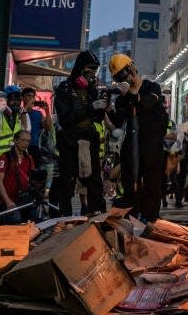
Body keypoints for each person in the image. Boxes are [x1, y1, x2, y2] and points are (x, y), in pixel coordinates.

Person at [108, 53, 168, 223]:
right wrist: (106, 109)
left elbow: (147, 103)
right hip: (132, 145)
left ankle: (152, 220)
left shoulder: (151, 87)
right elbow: (117, 121)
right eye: (119, 77)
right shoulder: (122, 99)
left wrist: (132, 95)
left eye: (125, 74)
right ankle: (132, 219)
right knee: (130, 186)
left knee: (152, 185)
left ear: (132, 68)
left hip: (151, 145)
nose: (124, 79)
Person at [50, 50, 107, 216]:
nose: (92, 75)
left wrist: (101, 105)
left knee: (94, 183)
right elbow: (65, 118)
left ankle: (97, 217)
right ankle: (63, 219)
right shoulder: (65, 88)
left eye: (95, 71)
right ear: (80, 69)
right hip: (70, 142)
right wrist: (91, 107)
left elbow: (97, 119)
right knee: (67, 184)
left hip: (89, 141)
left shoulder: (91, 90)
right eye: (89, 70)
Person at [0, 130, 36, 224]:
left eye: (28, 141)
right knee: (15, 219)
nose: (26, 143)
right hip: (8, 201)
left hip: (24, 200)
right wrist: (8, 201)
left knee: (35, 218)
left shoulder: (29, 159)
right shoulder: (5, 157)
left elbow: (32, 180)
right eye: (23, 140)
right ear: (16, 140)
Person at [0, 86, 30, 160]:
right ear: (5, 100)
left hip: (18, 157)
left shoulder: (23, 114)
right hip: (1, 157)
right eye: (12, 100)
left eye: (18, 100)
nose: (16, 103)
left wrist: (23, 113)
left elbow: (26, 132)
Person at [21, 87, 49, 164]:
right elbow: (24, 126)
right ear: (22, 98)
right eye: (28, 96)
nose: (31, 98)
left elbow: (48, 127)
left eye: (33, 96)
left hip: (35, 147)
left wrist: (47, 110)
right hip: (21, 147)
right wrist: (26, 108)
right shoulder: (19, 112)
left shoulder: (38, 113)